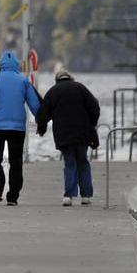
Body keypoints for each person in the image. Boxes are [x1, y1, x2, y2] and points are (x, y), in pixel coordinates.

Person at [36, 62, 101, 206]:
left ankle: (69, 196)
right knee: (83, 161)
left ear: (57, 80)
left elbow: (43, 114)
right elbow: (94, 107)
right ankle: (86, 196)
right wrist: (92, 122)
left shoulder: (53, 91)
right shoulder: (81, 88)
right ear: (70, 78)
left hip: (63, 134)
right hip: (82, 133)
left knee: (70, 162)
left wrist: (42, 128)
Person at [0, 50, 41, 206]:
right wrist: (40, 121)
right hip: (18, 128)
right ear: (17, 65)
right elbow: (34, 104)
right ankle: (13, 197)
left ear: (1, 65)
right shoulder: (23, 81)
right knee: (16, 161)